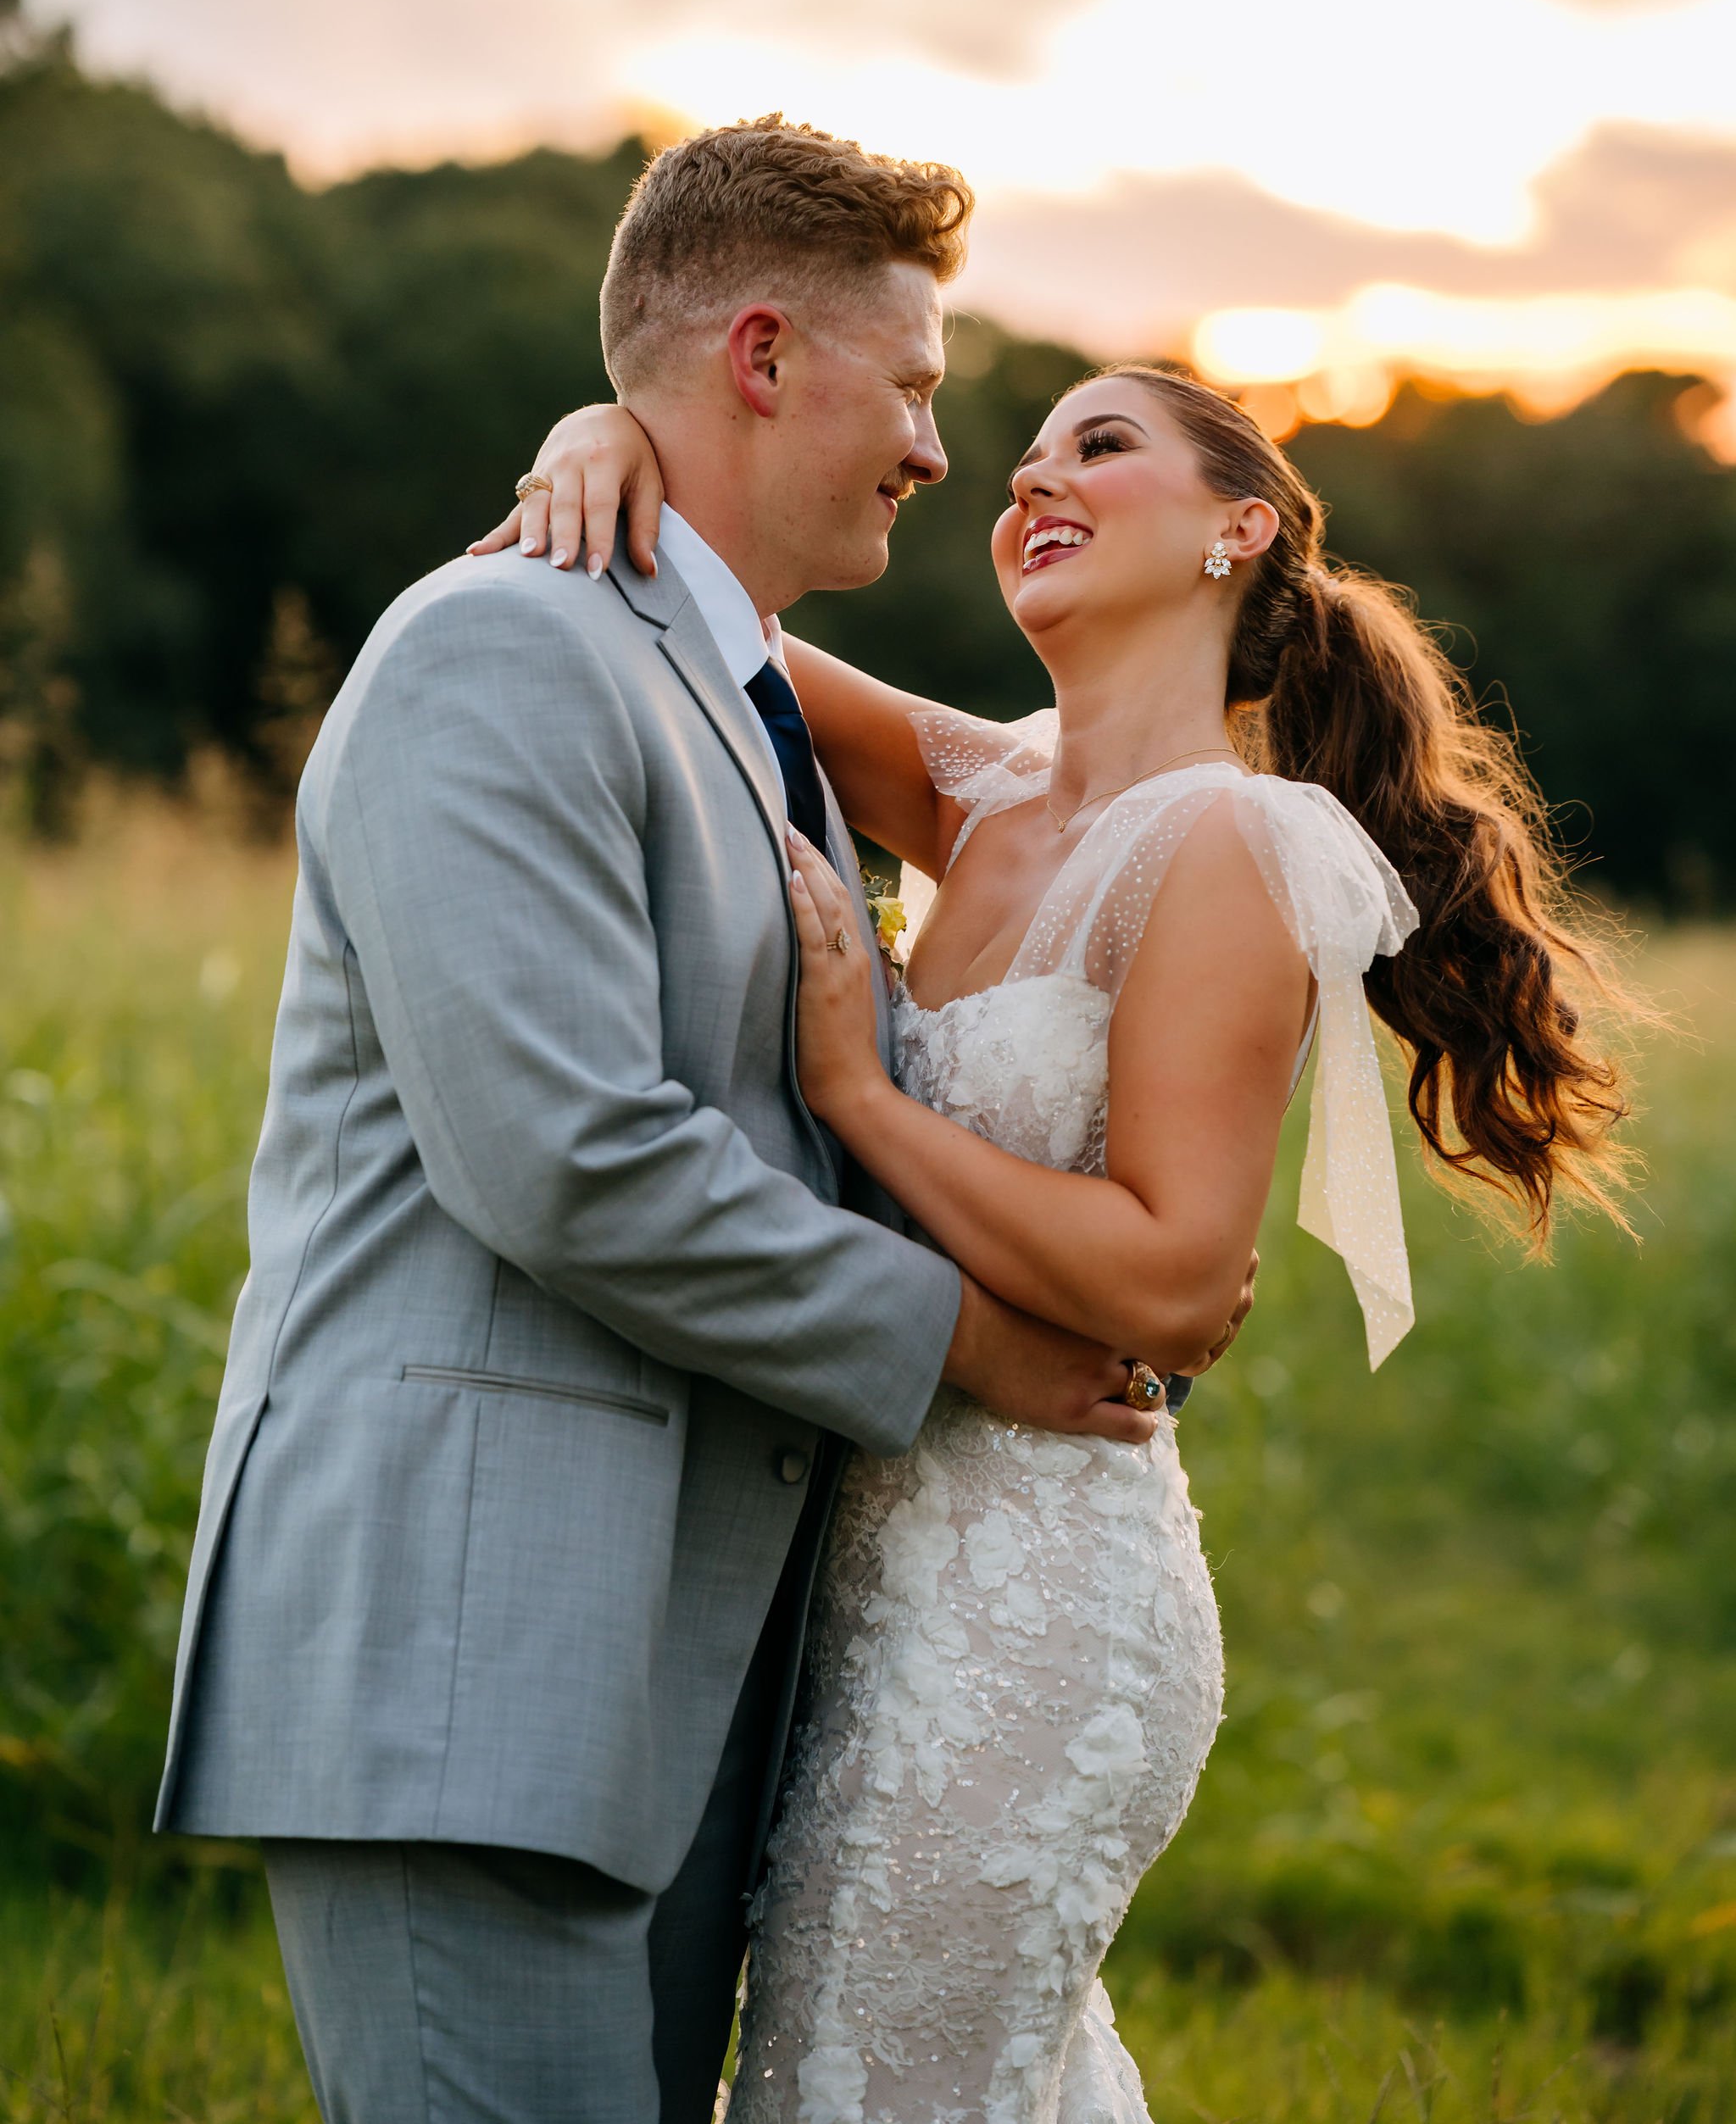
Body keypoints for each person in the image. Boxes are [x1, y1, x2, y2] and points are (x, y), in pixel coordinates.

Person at [157, 117, 1252, 2124]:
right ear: (764, 356)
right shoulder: (499, 650)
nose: (940, 452)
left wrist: (614, 434)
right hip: (475, 1664)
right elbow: (567, 1160)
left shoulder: (741, 698)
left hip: (678, 1688)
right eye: (913, 388)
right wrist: (966, 1347)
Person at [486, 360, 1630, 2119]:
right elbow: (691, 618)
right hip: (858, 1589)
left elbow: (1178, 1283)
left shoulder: (1234, 844)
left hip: (1032, 1611)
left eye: (1099, 449)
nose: (1030, 484)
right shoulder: (978, 794)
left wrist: (861, 1093)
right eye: (1018, 466)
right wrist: (607, 431)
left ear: (1236, 530)